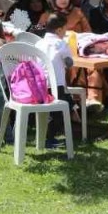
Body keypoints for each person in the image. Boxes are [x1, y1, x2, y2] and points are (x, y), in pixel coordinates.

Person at [35, 14, 74, 145]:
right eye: (65, 29)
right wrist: (69, 61)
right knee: (61, 109)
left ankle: (45, 135)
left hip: (39, 84)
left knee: (48, 110)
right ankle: (50, 138)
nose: (65, 32)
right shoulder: (61, 43)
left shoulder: (39, 43)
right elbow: (69, 62)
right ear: (59, 30)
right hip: (56, 84)